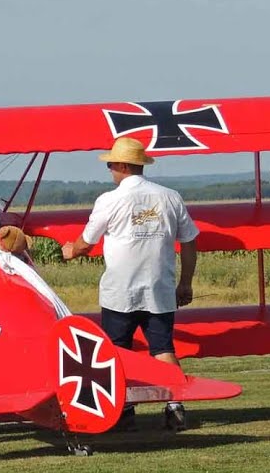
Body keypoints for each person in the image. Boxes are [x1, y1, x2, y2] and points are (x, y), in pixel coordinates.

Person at [61, 137, 199, 429]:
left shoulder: (109, 200)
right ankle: (175, 404)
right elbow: (189, 240)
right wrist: (186, 282)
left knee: (117, 351)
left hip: (119, 291)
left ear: (123, 165)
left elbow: (86, 243)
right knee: (163, 348)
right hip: (159, 288)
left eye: (111, 164)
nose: (110, 168)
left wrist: (69, 251)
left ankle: (123, 408)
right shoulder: (170, 196)